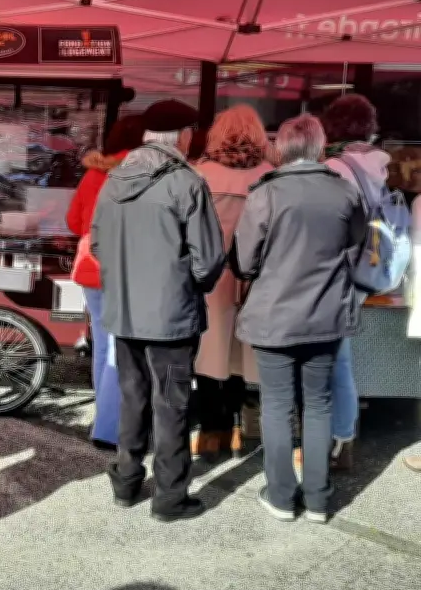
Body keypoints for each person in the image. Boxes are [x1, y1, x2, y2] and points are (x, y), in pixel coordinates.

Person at [91, 100, 225, 521]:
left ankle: (126, 484)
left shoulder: (112, 180)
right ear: (183, 135)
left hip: (125, 310)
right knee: (171, 404)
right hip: (170, 317)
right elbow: (210, 258)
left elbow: (97, 245)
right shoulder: (186, 182)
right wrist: (188, 285)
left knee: (133, 398)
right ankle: (169, 498)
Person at [233, 114, 366, 524]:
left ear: (283, 147)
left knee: (275, 406)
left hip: (274, 317)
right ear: (319, 146)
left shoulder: (266, 194)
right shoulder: (345, 191)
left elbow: (243, 262)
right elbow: (356, 247)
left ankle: (280, 496)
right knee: (318, 404)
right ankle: (318, 500)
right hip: (325, 314)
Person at [190, 105, 273, 460]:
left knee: (209, 352)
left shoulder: (199, 173)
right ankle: (239, 428)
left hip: (211, 275)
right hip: (256, 276)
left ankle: (212, 431)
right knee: (244, 353)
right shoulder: (272, 176)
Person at [320, 94, 390, 472]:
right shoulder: (375, 162)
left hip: (338, 271)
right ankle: (341, 438)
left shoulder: (336, 165)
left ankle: (336, 441)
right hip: (366, 268)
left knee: (333, 360)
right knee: (339, 358)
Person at [67, 115, 143, 447]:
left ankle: (104, 416)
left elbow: (73, 222)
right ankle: (109, 429)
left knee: (103, 345)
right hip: (124, 268)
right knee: (118, 348)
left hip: (89, 268)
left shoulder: (94, 173)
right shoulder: (140, 173)